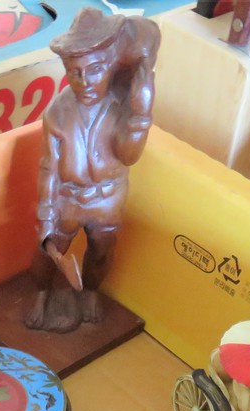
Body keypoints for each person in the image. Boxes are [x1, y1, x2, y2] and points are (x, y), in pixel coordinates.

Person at [27, 8, 160, 333]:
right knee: (50, 250)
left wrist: (140, 117)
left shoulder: (122, 105)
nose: (85, 81)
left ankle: (90, 292)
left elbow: (128, 157)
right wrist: (46, 213)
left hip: (107, 198)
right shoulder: (58, 113)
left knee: (102, 251)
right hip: (67, 197)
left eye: (95, 69)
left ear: (111, 65)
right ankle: (41, 293)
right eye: (75, 72)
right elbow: (48, 167)